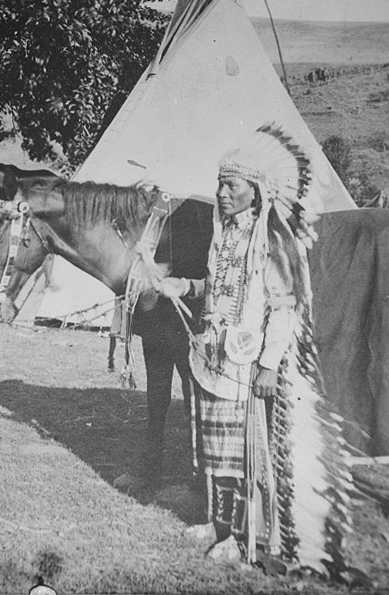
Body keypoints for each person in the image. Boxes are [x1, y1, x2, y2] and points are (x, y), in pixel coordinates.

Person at [155, 124, 359, 582]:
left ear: (255, 190)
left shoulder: (270, 239)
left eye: (232, 186)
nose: (222, 193)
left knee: (242, 454)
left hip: (247, 364)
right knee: (211, 449)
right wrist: (185, 285)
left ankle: (244, 535)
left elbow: (284, 305)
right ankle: (217, 523)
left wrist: (268, 365)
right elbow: (220, 286)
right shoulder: (223, 232)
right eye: (220, 184)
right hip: (212, 355)